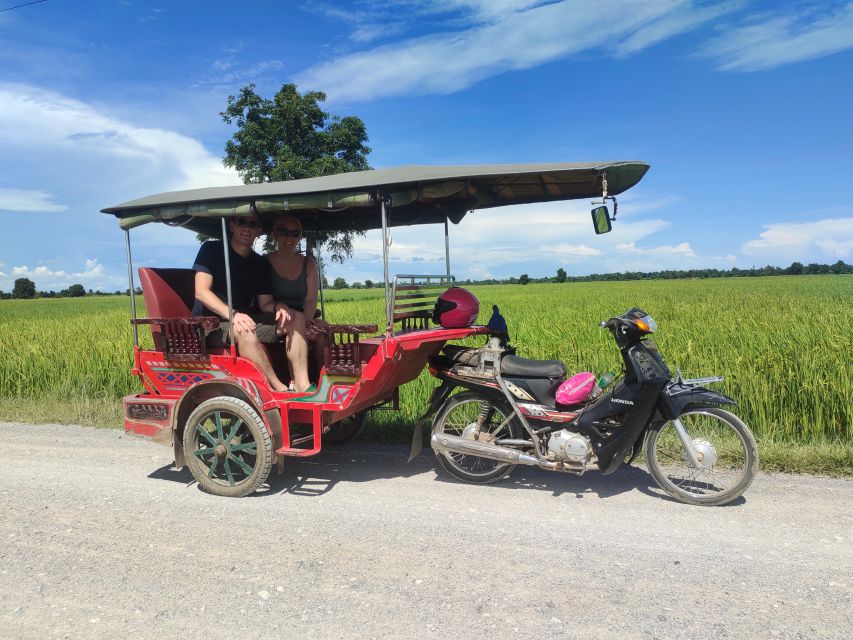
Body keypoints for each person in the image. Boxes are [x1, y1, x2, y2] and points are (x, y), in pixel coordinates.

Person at [191, 213, 290, 393]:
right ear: (231, 226)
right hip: (211, 324)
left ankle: (301, 383)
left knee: (292, 321)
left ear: (259, 230)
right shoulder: (211, 250)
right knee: (244, 329)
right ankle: (278, 388)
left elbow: (265, 303)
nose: (247, 228)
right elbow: (201, 291)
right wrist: (233, 315)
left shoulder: (259, 263)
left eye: (253, 224)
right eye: (242, 222)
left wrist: (279, 307)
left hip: (245, 319)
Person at [266, 214, 321, 394]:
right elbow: (263, 300)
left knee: (323, 331)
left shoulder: (308, 264)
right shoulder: (264, 262)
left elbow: (311, 299)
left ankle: (323, 381)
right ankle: (300, 384)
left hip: (303, 316)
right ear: (275, 235)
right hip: (275, 315)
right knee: (294, 323)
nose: (289, 238)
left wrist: (306, 322)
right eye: (284, 232)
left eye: (295, 234)